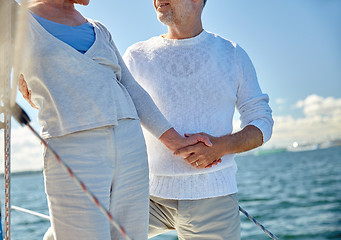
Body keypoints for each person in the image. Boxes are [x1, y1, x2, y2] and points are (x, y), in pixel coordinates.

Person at [8, 0, 213, 239]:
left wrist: (176, 141)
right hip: (72, 145)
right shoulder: (18, 22)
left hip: (130, 146)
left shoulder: (99, 29)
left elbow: (132, 89)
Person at [122, 0, 274, 239]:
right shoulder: (136, 56)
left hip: (212, 198)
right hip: (145, 196)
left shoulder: (232, 54)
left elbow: (261, 122)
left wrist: (220, 147)